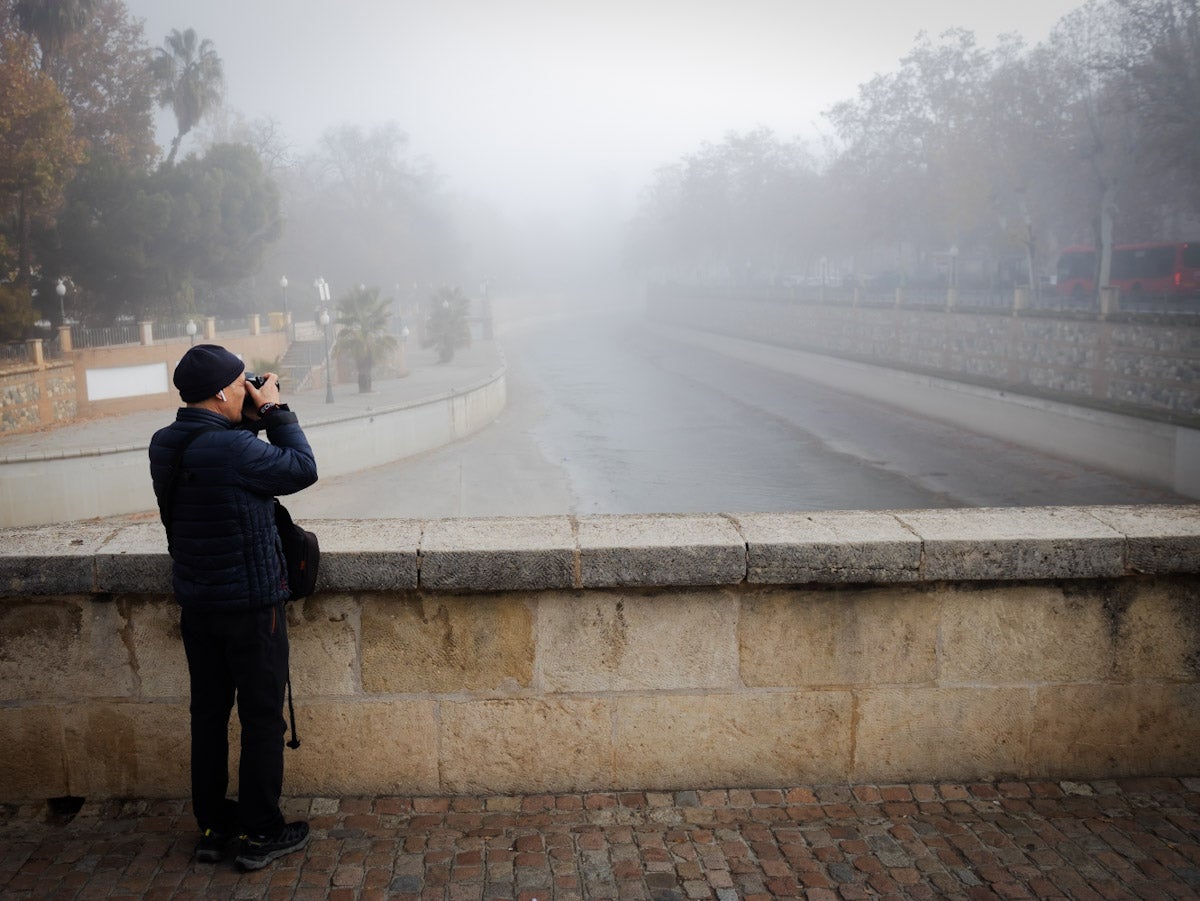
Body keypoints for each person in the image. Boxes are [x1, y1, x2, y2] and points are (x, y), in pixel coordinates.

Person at [148, 344, 319, 871]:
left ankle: (213, 827)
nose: (248, 387)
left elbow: (224, 464)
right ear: (224, 392)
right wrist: (274, 409)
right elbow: (301, 468)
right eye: (241, 382)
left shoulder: (165, 443)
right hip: (251, 608)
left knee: (208, 718)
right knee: (261, 720)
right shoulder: (232, 449)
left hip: (198, 606)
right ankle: (261, 832)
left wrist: (248, 416)